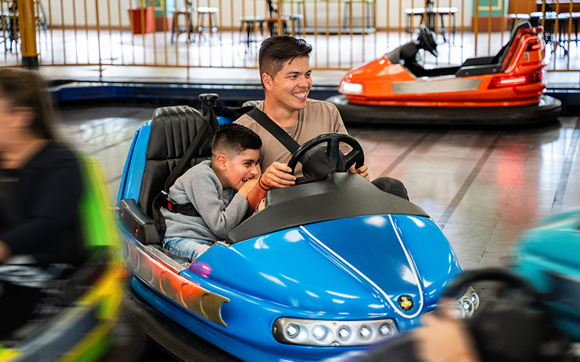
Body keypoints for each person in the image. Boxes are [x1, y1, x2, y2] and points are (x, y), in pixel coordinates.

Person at [235, 35, 408, 200]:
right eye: (294, 76)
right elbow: (240, 202)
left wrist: (356, 174)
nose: (305, 84)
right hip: (286, 216)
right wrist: (263, 183)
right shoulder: (244, 130)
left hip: (333, 204)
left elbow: (350, 166)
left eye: (307, 75)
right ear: (268, 81)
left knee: (391, 186)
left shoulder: (327, 112)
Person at [0, 68, 87, 337]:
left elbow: (44, 224)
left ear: (21, 115)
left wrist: (4, 248)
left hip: (44, 277)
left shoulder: (61, 163)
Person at [161, 123, 292, 262]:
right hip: (183, 240)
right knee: (214, 259)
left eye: (257, 163)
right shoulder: (200, 177)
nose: (254, 171)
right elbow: (221, 228)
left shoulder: (233, 182)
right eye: (248, 164)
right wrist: (245, 191)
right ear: (222, 162)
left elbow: (239, 223)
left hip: (215, 242)